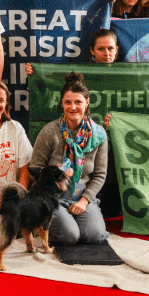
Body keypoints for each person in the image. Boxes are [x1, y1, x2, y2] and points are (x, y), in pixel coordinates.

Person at [30, 72, 108, 245]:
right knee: (70, 237)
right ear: (62, 104)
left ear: (87, 103)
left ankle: (69, 219)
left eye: (78, 102)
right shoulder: (50, 132)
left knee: (94, 236)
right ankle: (41, 221)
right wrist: (55, 174)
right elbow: (35, 170)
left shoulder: (99, 134)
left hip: (81, 196)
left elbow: (100, 175)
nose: (73, 107)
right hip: (52, 198)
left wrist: (84, 201)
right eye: (68, 102)